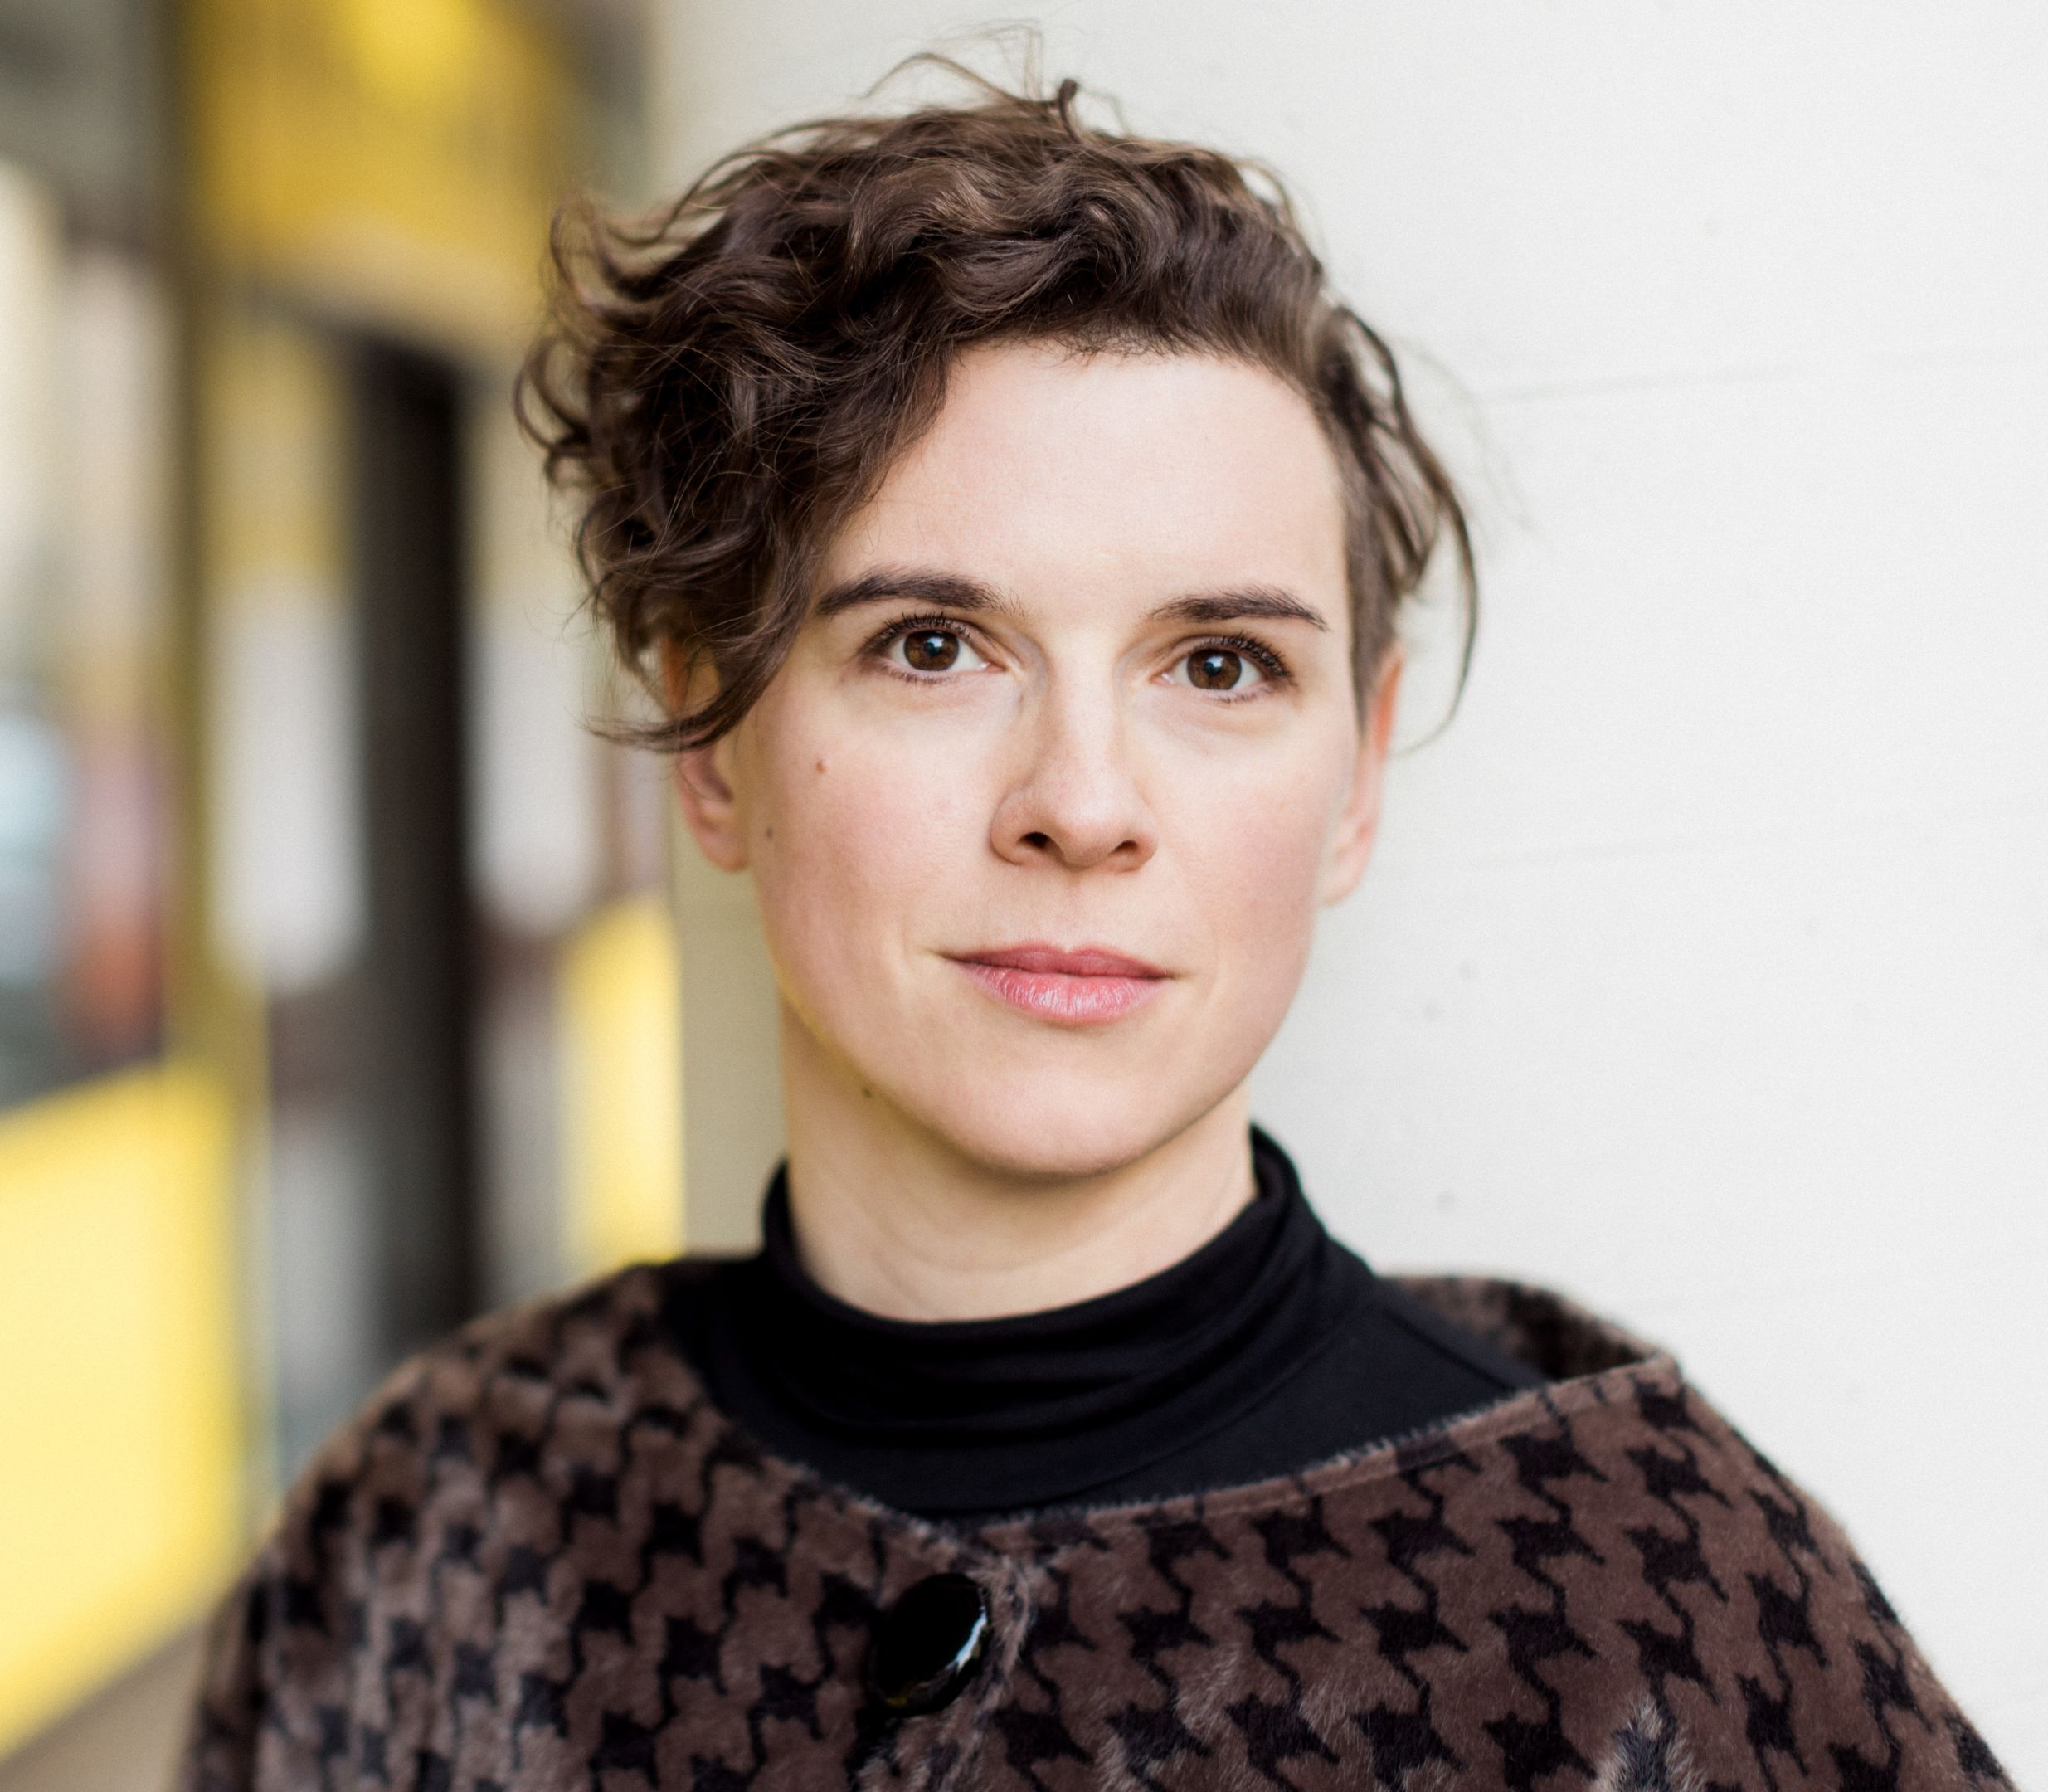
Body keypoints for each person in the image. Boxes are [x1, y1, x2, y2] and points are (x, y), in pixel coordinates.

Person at [179, 71, 2010, 1792]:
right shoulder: (428, 1532)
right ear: (710, 736)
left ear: (1356, 775)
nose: (1080, 801)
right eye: (930, 646)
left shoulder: (1647, 1611)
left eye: (1218, 666)